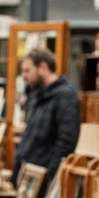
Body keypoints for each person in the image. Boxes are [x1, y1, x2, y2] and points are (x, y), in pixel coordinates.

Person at [13, 48, 80, 187]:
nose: (23, 76)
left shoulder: (65, 96)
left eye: (27, 71)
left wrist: (50, 174)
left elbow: (66, 140)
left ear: (42, 67)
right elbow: (30, 134)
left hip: (44, 177)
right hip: (28, 174)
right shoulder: (35, 94)